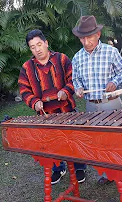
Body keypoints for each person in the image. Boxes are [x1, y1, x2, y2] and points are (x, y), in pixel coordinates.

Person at [71, 15, 122, 195]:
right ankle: (107, 174)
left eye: (89, 37)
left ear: (98, 34)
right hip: (91, 106)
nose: (86, 42)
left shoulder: (110, 52)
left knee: (119, 142)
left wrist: (115, 82)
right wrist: (78, 88)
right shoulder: (77, 58)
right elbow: (75, 79)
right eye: (82, 38)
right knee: (99, 144)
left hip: (111, 104)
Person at [18, 29, 87, 185]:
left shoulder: (62, 59)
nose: (37, 49)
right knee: (51, 145)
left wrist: (66, 91)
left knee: (73, 140)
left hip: (67, 110)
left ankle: (79, 167)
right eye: (33, 47)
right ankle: (58, 168)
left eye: (39, 44)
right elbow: (23, 89)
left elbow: (73, 79)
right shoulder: (27, 68)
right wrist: (34, 102)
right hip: (45, 115)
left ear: (46, 43)